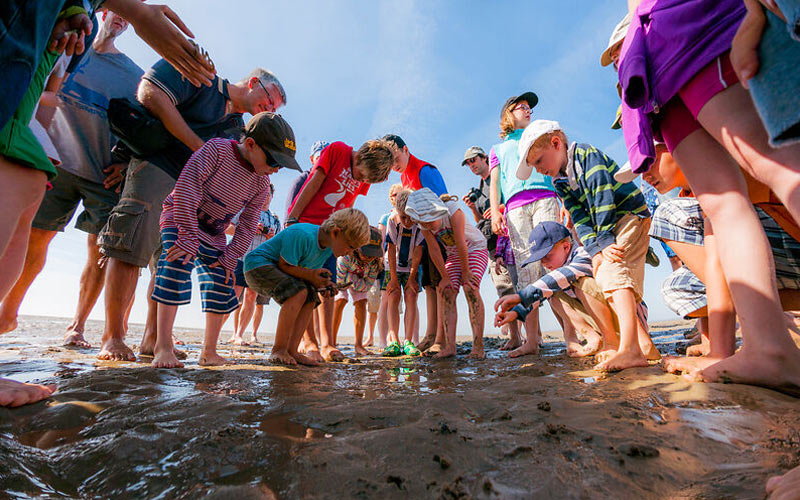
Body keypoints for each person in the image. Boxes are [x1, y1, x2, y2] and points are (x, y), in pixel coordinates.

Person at [619, 0, 800, 390]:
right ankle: (768, 348)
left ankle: (769, 346)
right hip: (660, 64)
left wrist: (754, 10)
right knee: (722, 205)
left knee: (778, 164)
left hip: (694, 30)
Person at [96, 59, 287, 362]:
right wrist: (200, 147)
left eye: (275, 108)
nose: (270, 108)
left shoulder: (240, 129)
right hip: (159, 168)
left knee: (166, 264)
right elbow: (150, 94)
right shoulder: (203, 78)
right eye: (270, 100)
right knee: (130, 249)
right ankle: (113, 336)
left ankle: (154, 338)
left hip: (198, 206)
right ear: (254, 83)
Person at [0, 11, 143, 347]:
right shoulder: (64, 45)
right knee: (34, 238)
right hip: (54, 162)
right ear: (105, 10)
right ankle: (9, 311)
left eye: (129, 17)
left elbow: (141, 128)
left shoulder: (132, 75)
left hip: (101, 174)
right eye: (119, 12)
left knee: (98, 253)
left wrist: (124, 164)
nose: (121, 20)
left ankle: (76, 327)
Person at [637, 145, 800, 377]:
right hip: (782, 261)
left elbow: (718, 255)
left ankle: (767, 333)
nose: (644, 175)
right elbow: (716, 261)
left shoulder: (719, 166)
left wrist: (719, 355)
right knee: (678, 288)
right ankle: (774, 320)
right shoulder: (691, 191)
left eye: (649, 161)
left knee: (668, 216)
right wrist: (711, 344)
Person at [149, 112, 295, 368]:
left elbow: (248, 224)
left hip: (214, 232)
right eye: (273, 160)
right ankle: (162, 347)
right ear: (250, 144)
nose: (276, 168)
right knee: (176, 265)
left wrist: (231, 256)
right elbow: (187, 186)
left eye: (282, 164)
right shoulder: (217, 150)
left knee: (222, 279)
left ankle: (209, 351)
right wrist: (187, 235)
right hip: (181, 218)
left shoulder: (261, 184)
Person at [517, 119, 658, 371]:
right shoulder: (559, 181)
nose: (538, 170)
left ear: (556, 143)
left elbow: (601, 195)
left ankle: (633, 348)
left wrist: (602, 241)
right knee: (604, 272)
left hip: (628, 215)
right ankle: (624, 344)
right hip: (607, 230)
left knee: (614, 270)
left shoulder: (584, 155)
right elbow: (580, 217)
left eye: (539, 161)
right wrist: (595, 247)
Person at [286, 139, 394, 361]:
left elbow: (349, 202)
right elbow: (313, 183)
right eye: (362, 175)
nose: (362, 180)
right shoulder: (337, 150)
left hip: (333, 235)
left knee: (327, 287)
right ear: (361, 156)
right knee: (306, 286)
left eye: (366, 180)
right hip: (307, 228)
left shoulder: (365, 176)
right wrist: (292, 218)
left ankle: (327, 343)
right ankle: (310, 342)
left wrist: (348, 236)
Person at [243, 208, 370, 366]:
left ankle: (292, 350)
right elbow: (285, 265)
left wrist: (324, 285)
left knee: (310, 297)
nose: (349, 253)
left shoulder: (326, 250)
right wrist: (311, 276)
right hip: (257, 265)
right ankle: (279, 349)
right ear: (336, 232)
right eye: (350, 246)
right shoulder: (302, 234)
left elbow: (303, 274)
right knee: (298, 293)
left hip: (280, 269)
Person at [488, 92, 560, 357]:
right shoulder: (497, 149)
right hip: (516, 206)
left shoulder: (538, 136)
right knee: (527, 270)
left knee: (554, 262)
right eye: (522, 107)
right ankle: (531, 340)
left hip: (546, 197)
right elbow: (495, 181)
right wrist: (496, 211)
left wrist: (563, 199)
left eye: (530, 108)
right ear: (509, 113)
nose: (528, 110)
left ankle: (574, 335)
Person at [494, 221, 619, 358]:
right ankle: (593, 337)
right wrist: (516, 313)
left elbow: (565, 274)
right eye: (540, 260)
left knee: (583, 284)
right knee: (552, 294)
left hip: (620, 317)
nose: (544, 263)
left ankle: (611, 341)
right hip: (599, 321)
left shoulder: (583, 254)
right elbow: (539, 296)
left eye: (547, 256)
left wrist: (521, 296)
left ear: (566, 247)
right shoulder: (560, 268)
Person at [398, 188, 488, 359]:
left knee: (470, 287)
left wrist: (466, 272)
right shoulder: (421, 223)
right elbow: (434, 249)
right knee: (446, 291)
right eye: (423, 223)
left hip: (474, 249)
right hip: (453, 255)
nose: (428, 226)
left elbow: (461, 243)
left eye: (430, 222)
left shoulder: (453, 211)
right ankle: (450, 346)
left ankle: (478, 347)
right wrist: (445, 277)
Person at [382, 134, 447, 352]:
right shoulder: (403, 180)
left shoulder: (424, 170)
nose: (394, 165)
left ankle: (441, 336)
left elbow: (442, 202)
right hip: (421, 240)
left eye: (395, 158)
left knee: (438, 284)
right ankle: (431, 334)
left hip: (437, 236)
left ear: (405, 149)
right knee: (428, 285)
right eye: (389, 163)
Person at [461, 145, 520, 339]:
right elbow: (480, 221)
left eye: (474, 160)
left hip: (510, 238)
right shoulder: (478, 191)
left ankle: (534, 336)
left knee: (521, 286)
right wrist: (472, 208)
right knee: (503, 289)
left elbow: (514, 197)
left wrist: (499, 208)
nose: (472, 165)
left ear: (484, 158)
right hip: (492, 245)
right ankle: (514, 337)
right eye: (468, 163)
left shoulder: (499, 176)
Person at [227, 183, 280, 345]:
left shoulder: (274, 219)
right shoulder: (244, 210)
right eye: (263, 193)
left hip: (258, 263)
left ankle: (239, 334)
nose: (266, 197)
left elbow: (277, 244)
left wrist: (271, 237)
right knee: (232, 296)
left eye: (269, 194)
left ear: (271, 196)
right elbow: (227, 228)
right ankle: (214, 334)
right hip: (239, 257)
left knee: (251, 297)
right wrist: (249, 229)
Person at [381, 197, 424, 357]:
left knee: (411, 296)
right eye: (403, 217)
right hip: (393, 264)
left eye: (410, 217)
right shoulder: (392, 220)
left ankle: (408, 341)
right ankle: (393, 340)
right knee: (393, 296)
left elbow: (419, 251)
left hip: (412, 264)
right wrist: (393, 278)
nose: (407, 221)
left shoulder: (420, 223)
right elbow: (390, 249)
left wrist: (412, 277)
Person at [332, 227, 384, 356]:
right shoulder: (345, 256)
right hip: (341, 282)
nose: (369, 257)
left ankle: (359, 344)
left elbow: (366, 287)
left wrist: (352, 279)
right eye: (366, 253)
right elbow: (340, 282)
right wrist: (355, 278)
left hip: (358, 282)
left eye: (372, 255)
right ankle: (331, 342)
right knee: (340, 300)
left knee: (361, 302)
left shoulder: (374, 265)